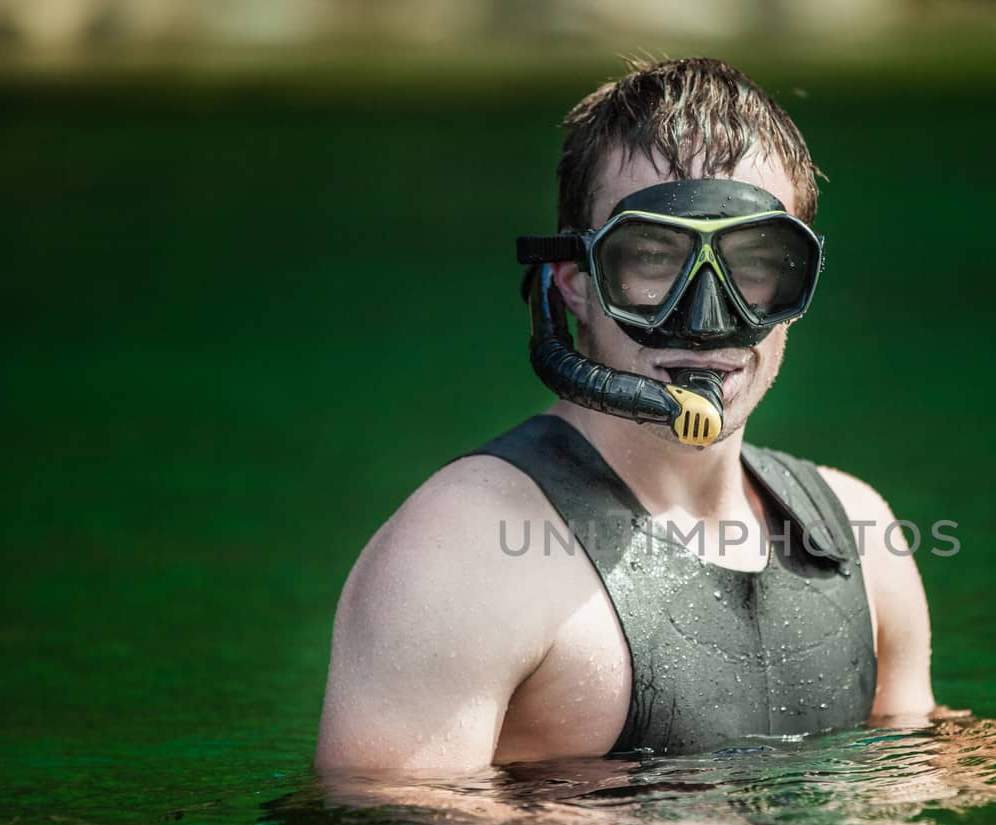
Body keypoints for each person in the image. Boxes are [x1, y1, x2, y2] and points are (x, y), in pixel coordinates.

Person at [315, 57, 937, 773]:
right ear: (575, 285)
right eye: (651, 257)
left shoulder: (860, 537)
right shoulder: (459, 553)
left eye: (758, 260)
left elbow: (907, 821)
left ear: (800, 277)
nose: (707, 321)